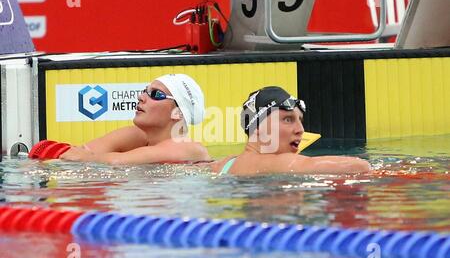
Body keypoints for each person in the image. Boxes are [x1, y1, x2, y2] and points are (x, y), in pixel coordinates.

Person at [210, 86, 370, 175]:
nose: (300, 130)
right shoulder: (279, 162)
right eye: (288, 119)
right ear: (258, 127)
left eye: (300, 120)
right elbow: (360, 167)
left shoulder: (225, 164)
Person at [60, 74, 211, 165]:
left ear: (178, 113)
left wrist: (86, 158)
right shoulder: (138, 136)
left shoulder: (189, 148)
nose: (141, 97)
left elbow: (116, 162)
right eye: (145, 90)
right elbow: (77, 154)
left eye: (155, 94)